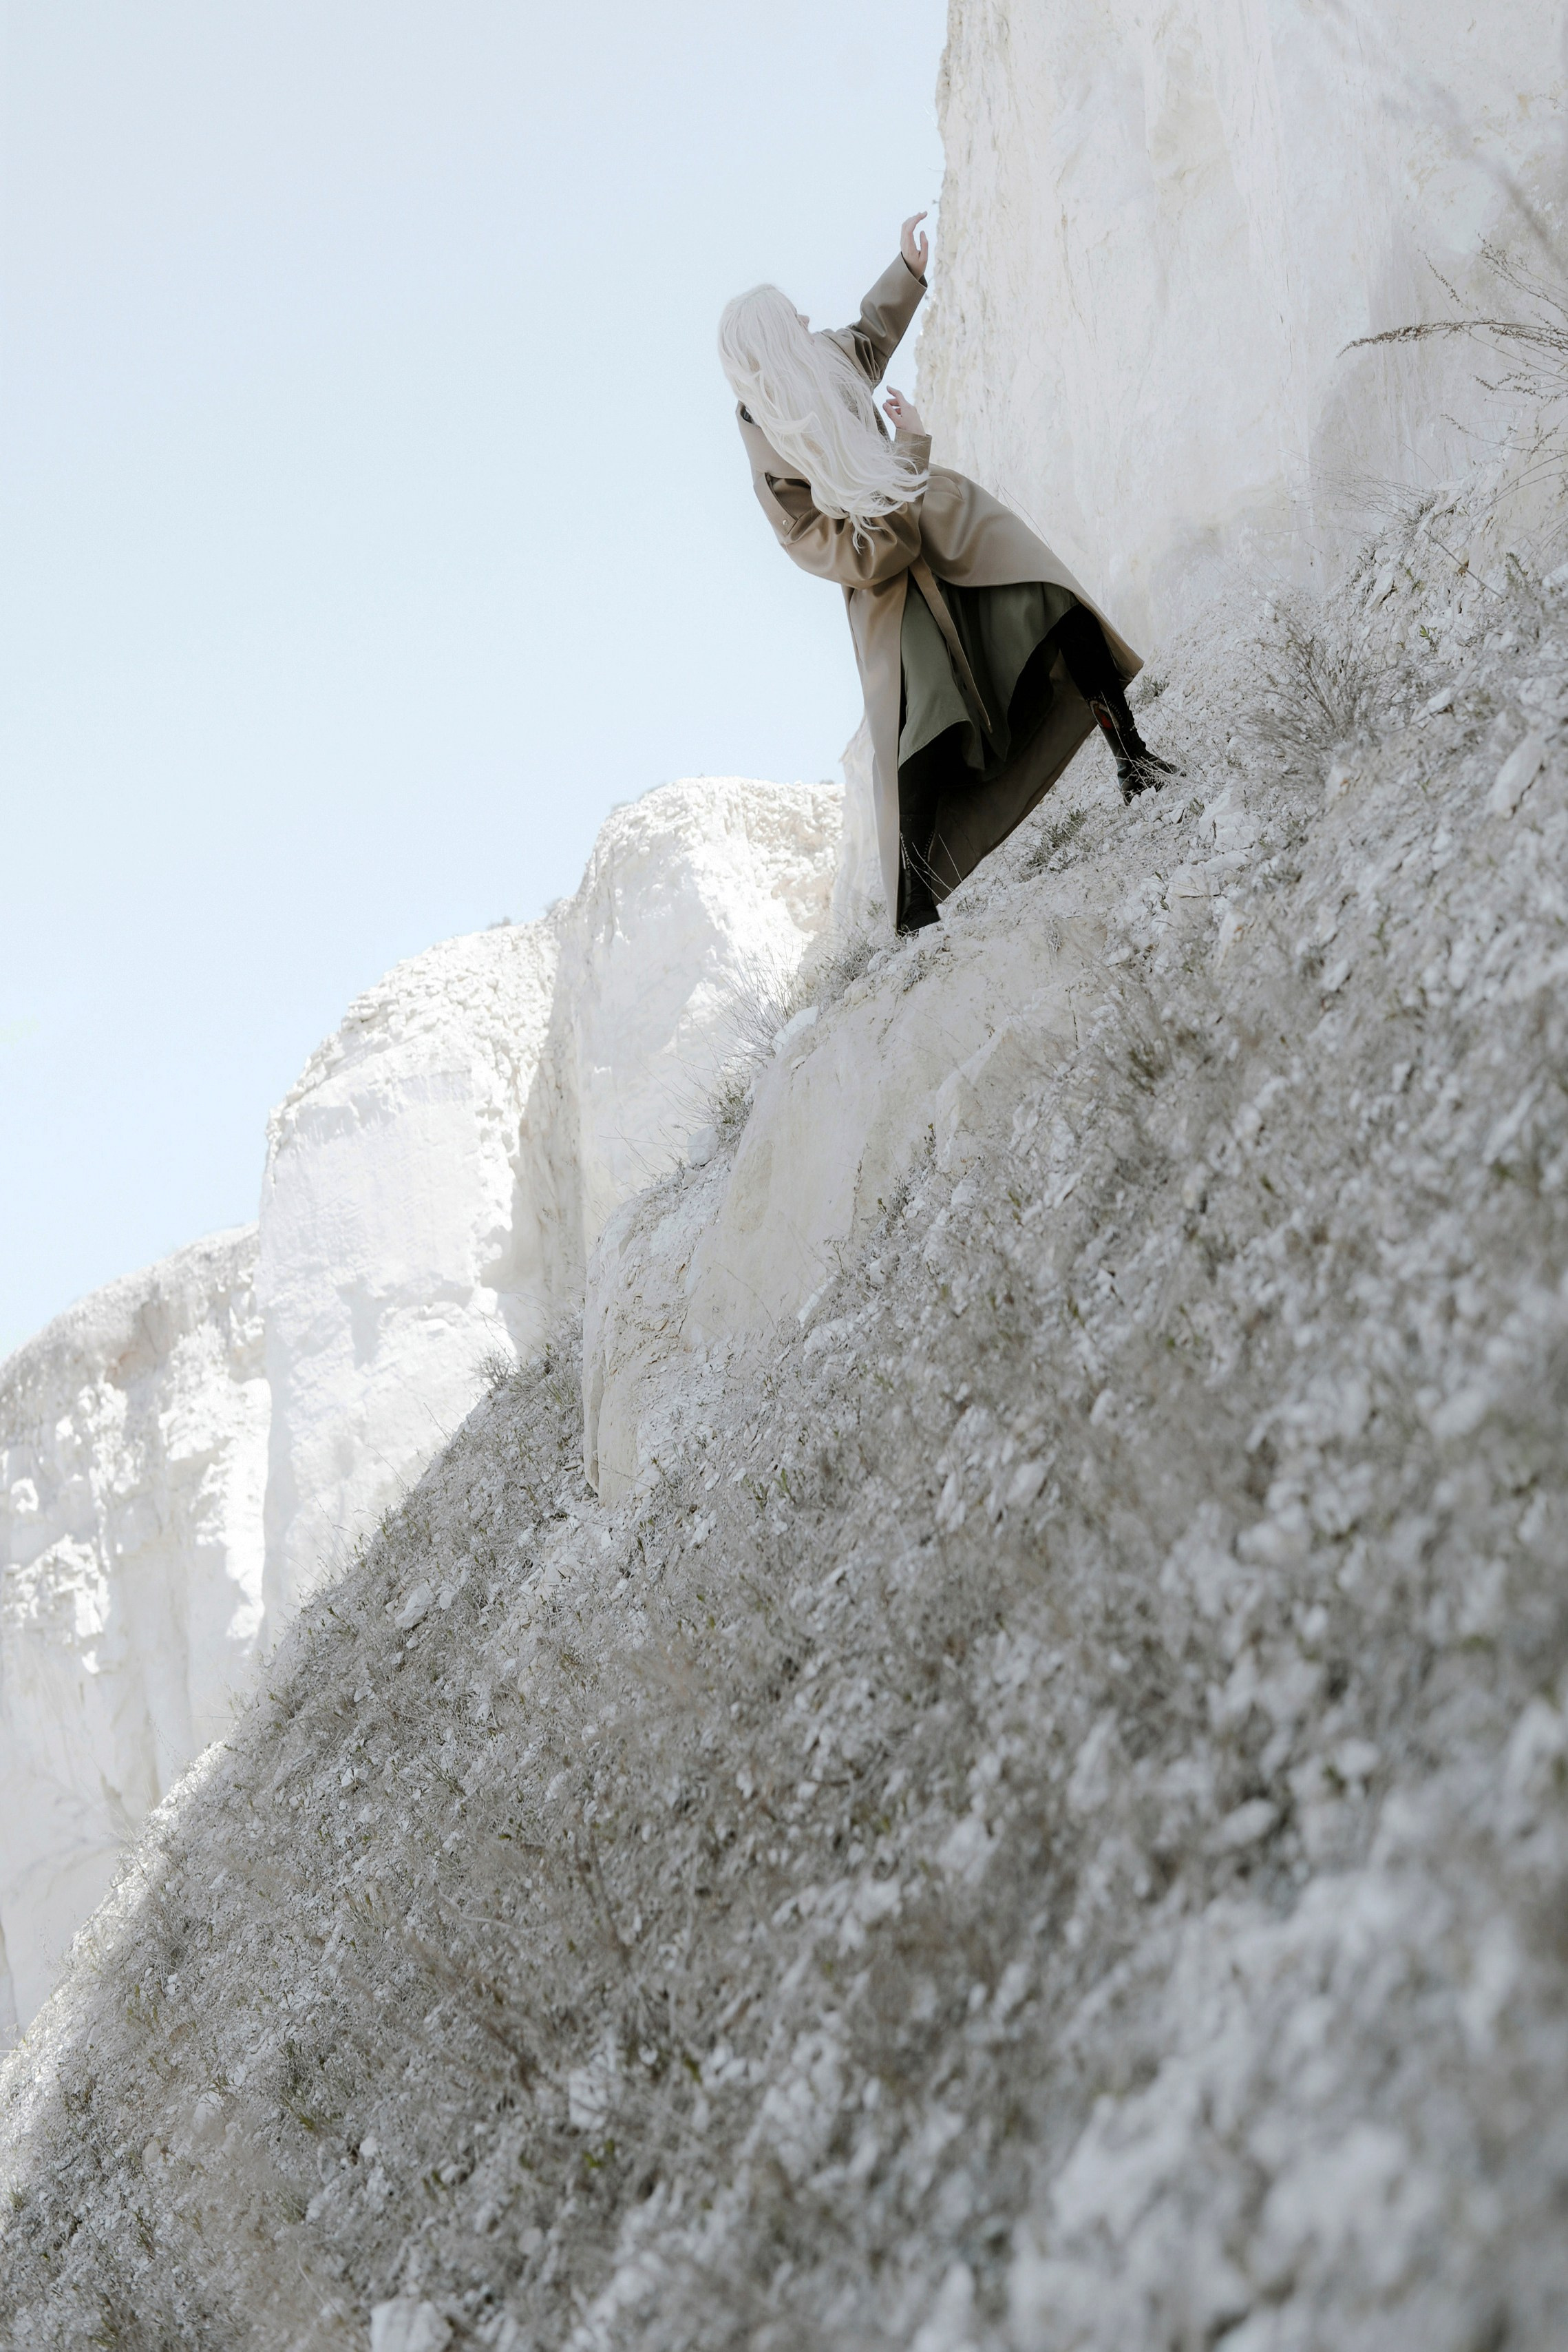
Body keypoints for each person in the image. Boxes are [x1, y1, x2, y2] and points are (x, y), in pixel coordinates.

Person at [719, 213, 1177, 935]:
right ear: (770, 347)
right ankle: (911, 906)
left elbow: (869, 335)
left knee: (1051, 604)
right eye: (789, 318)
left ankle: (1134, 758)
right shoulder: (767, 449)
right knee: (924, 724)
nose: (807, 317)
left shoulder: (825, 357)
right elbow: (820, 540)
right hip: (885, 581)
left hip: (941, 515)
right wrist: (906, 450)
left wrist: (907, 267)